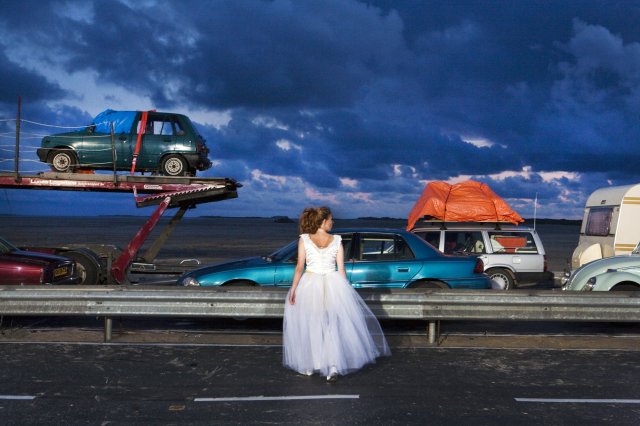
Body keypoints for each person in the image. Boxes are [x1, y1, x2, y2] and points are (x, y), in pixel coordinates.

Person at [283, 206, 390, 382]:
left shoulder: (304, 240)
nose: (333, 222)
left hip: (310, 284)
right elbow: (341, 270)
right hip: (333, 284)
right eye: (331, 219)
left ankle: (311, 365)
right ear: (323, 221)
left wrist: (293, 289)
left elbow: (299, 267)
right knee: (332, 325)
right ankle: (332, 366)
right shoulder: (336, 240)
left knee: (312, 324)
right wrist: (346, 293)